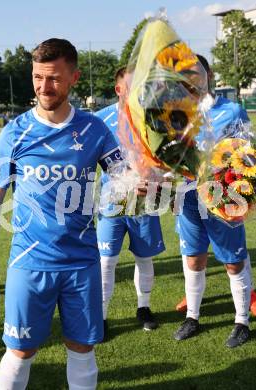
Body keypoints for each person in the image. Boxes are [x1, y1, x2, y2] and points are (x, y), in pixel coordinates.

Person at [0, 38, 123, 390]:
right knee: (20, 351)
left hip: (82, 262)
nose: (44, 87)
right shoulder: (14, 133)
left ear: (74, 77)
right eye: (38, 77)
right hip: (30, 262)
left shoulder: (95, 131)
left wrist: (144, 183)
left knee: (82, 349)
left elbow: (126, 179)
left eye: (54, 78)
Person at [174, 55, 252, 348]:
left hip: (223, 196)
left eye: (196, 73)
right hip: (188, 197)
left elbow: (248, 153)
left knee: (233, 260)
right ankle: (192, 317)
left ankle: (241, 321)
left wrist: (241, 191)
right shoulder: (176, 114)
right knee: (193, 258)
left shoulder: (231, 110)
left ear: (209, 75)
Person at [95, 66, 165, 338]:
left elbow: (164, 162)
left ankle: (143, 308)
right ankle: (101, 316)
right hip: (111, 205)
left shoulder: (153, 120)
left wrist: (157, 181)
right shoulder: (100, 121)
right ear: (118, 89)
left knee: (144, 258)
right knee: (105, 262)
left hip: (144, 203)